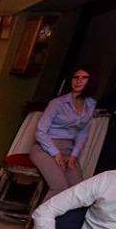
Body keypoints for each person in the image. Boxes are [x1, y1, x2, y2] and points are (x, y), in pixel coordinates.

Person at [31, 66, 97, 199]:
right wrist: (55, 153)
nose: (78, 81)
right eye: (75, 77)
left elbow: (82, 133)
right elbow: (40, 132)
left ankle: (61, 216)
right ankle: (41, 214)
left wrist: (74, 155)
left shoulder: (91, 104)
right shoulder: (57, 103)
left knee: (78, 190)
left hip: (68, 151)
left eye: (84, 78)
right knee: (60, 187)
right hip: (45, 149)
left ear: (91, 82)